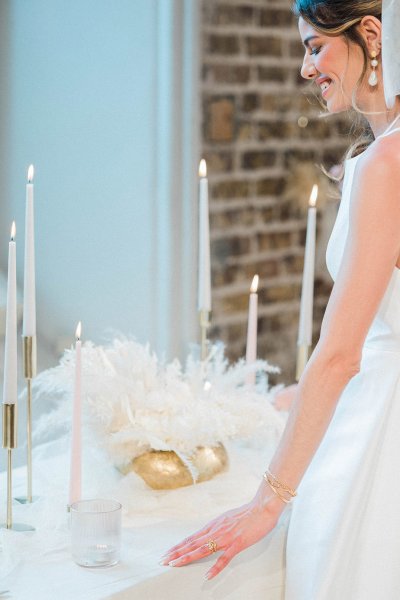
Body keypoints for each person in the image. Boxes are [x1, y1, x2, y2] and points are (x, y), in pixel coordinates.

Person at [161, 1, 400, 596]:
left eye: (315, 46)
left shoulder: (385, 166)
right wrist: (292, 396)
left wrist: (266, 503)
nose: (304, 67)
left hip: (376, 445)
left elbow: (342, 353)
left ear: (371, 35)